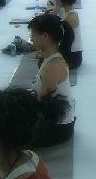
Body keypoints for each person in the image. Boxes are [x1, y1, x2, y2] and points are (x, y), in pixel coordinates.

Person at [27, 14, 75, 148]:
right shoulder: (52, 57)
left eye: (33, 34)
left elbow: (41, 102)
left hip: (58, 127)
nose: (31, 38)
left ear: (45, 36)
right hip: (54, 117)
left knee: (8, 137)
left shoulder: (54, 67)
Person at [53, 0, 82, 69]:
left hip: (73, 56)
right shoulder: (68, 12)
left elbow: (63, 41)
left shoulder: (71, 18)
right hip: (71, 53)